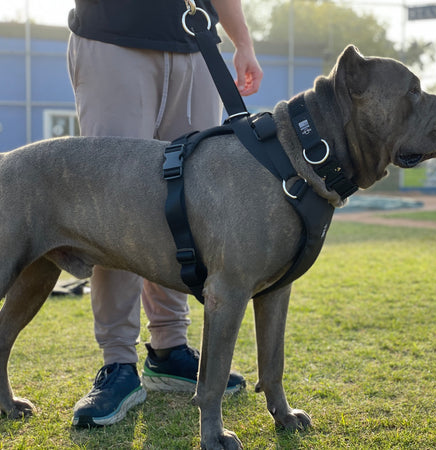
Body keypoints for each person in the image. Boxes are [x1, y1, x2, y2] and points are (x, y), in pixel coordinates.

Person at [66, 0, 263, 427]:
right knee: (114, 204)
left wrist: (242, 40)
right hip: (112, 36)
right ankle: (118, 362)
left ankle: (170, 348)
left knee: (189, 200)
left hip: (195, 42)